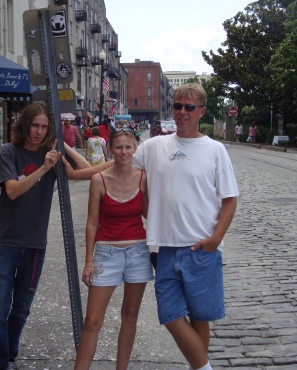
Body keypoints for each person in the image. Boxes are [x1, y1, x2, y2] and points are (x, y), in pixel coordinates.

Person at [66, 83, 239, 370]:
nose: (182, 112)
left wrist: (214, 239)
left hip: (201, 249)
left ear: (201, 112)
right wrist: (75, 175)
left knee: (200, 317)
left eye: (189, 107)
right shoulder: (155, 146)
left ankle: (198, 367)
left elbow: (230, 200)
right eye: (178, 106)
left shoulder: (215, 149)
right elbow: (116, 164)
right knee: (170, 314)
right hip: (167, 248)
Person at [0, 103, 90, 370]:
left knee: (21, 307)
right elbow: (12, 191)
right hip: (6, 242)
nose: (38, 131)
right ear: (25, 125)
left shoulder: (51, 154)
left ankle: (8, 354)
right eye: (35, 125)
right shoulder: (10, 152)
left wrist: (61, 145)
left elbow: (84, 168)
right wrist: (44, 168)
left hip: (34, 246)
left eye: (44, 127)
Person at [74, 129, 153, 370]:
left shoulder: (144, 178)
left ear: (135, 149)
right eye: (119, 147)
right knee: (92, 322)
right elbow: (92, 222)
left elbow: (149, 215)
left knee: (130, 316)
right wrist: (89, 260)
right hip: (106, 254)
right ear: (110, 150)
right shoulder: (99, 179)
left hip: (138, 253)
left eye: (128, 147)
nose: (124, 152)